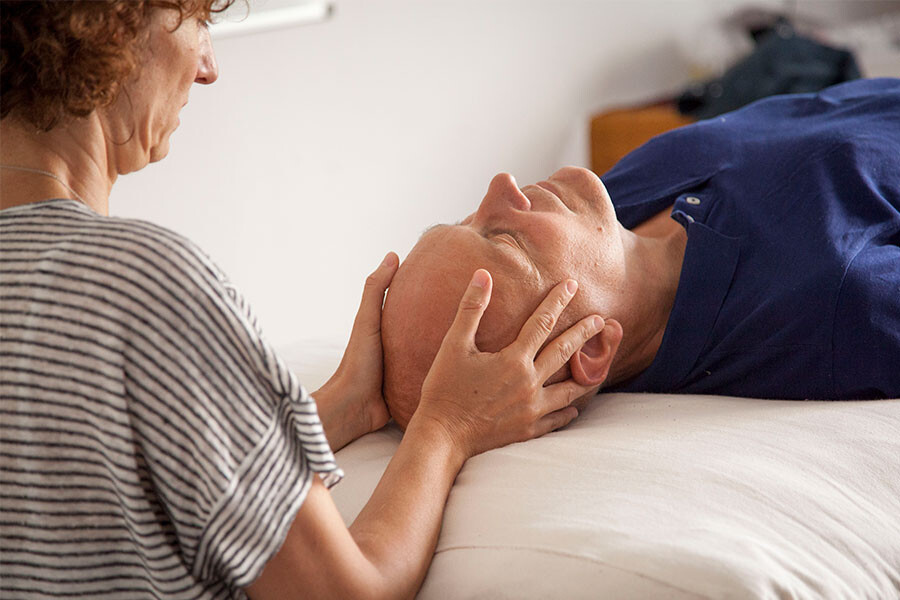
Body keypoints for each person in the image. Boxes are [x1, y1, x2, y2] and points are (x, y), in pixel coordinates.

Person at [0, 2, 604, 598]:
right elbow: (345, 592)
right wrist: (448, 426)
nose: (208, 67)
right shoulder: (148, 287)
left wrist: (346, 404)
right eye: (198, 22)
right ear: (115, 24)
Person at [382, 77, 900, 428]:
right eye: (505, 239)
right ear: (589, 348)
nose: (501, 187)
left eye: (467, 219)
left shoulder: (608, 209)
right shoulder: (838, 308)